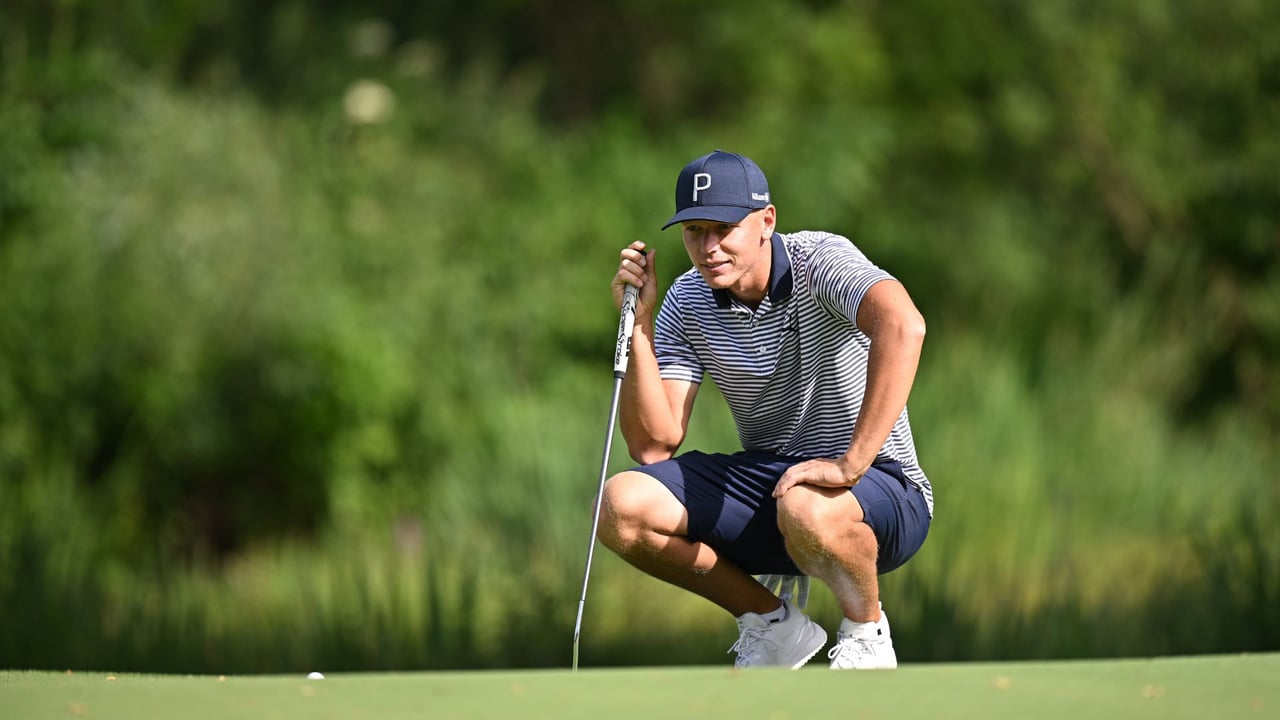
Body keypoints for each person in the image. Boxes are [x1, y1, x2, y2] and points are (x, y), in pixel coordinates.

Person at [599, 149, 932, 670]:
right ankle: (773, 626)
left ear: (766, 221)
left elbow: (903, 326)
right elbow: (652, 445)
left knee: (806, 506)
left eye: (724, 229)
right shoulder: (687, 300)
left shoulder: (819, 261)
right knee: (621, 507)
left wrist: (850, 464)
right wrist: (640, 325)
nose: (708, 248)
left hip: (883, 487)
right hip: (776, 489)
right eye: (694, 231)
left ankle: (867, 632)